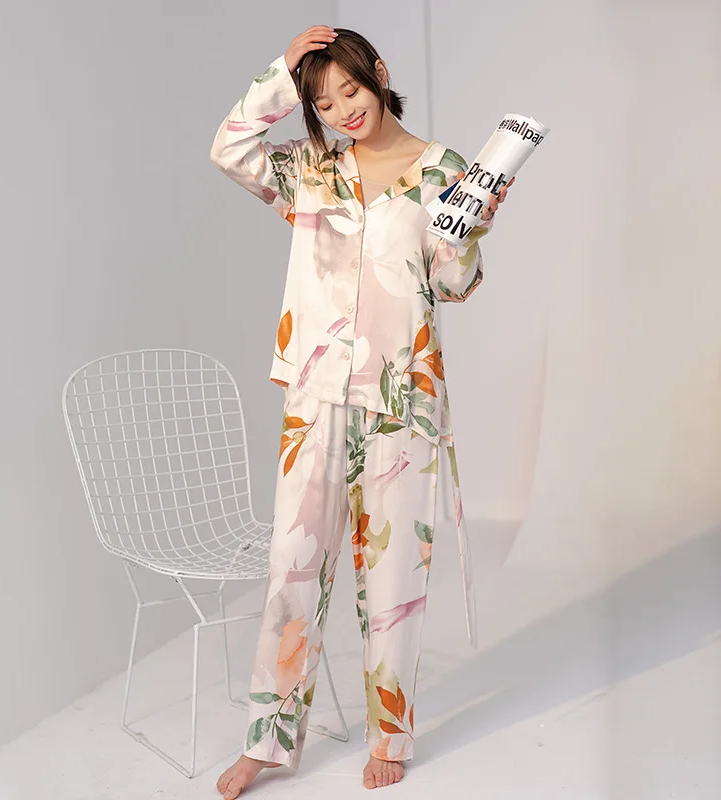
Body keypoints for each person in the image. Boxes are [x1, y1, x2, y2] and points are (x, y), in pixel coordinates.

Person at [210, 25, 512, 797]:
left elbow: (452, 283)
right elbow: (231, 149)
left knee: (394, 573)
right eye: (323, 101)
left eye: (350, 88)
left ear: (378, 73)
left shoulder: (444, 169)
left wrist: (473, 225)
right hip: (315, 394)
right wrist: (281, 72)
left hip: (402, 399)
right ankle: (268, 742)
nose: (343, 108)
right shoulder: (312, 170)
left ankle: (390, 736)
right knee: (292, 566)